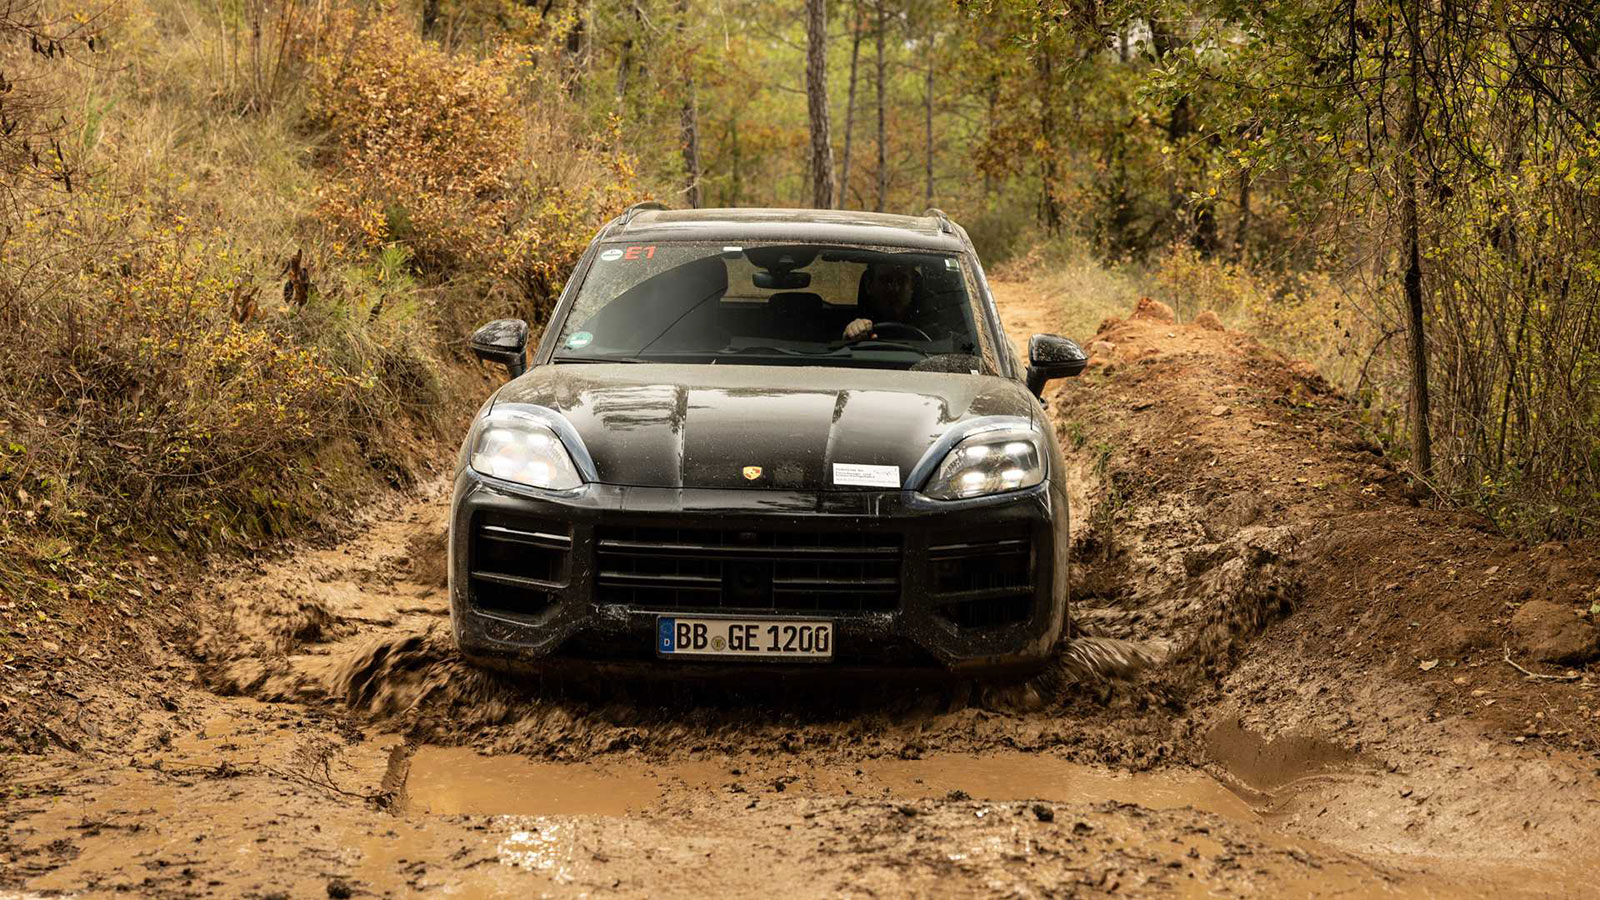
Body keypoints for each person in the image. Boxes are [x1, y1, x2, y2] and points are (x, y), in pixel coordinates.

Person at [843, 263, 920, 342]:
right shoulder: (849, 323)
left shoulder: (929, 328)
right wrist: (853, 334)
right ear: (869, 285)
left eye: (902, 281)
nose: (894, 289)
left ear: (912, 286)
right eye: (886, 280)